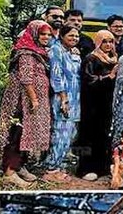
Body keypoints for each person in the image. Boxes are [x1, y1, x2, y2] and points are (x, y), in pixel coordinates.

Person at [0, 19, 53, 188]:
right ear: (34, 33)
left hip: (31, 102)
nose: (46, 37)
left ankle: (19, 166)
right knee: (17, 133)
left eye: (48, 35)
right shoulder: (26, 53)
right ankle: (9, 171)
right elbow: (26, 79)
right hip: (22, 101)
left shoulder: (38, 51)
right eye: (43, 34)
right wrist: (34, 99)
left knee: (26, 134)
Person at [41, 25, 82, 182]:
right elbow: (56, 76)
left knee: (69, 135)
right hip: (63, 98)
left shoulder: (71, 52)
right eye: (71, 36)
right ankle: (50, 170)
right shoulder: (56, 50)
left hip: (75, 98)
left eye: (77, 36)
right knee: (60, 134)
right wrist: (63, 99)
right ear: (62, 36)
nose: (74, 39)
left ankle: (57, 167)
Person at [78, 29, 119, 181]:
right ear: (98, 42)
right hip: (92, 103)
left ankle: (101, 167)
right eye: (104, 42)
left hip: (107, 103)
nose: (108, 45)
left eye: (111, 42)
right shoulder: (91, 58)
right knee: (89, 135)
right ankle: (86, 168)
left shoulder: (113, 58)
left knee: (104, 134)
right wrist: (110, 76)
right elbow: (89, 80)